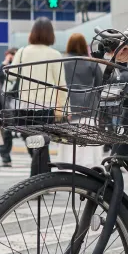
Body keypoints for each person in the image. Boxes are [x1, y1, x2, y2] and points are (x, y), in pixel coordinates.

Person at [13, 18, 65, 176]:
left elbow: (11, 78)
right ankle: (41, 178)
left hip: (24, 107)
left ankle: (38, 178)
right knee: (42, 144)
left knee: (33, 143)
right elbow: (61, 85)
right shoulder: (55, 55)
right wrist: (60, 109)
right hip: (46, 107)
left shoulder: (21, 52)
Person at [63, 33, 106, 173]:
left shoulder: (63, 63)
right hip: (89, 107)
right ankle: (88, 170)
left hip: (69, 107)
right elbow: (101, 84)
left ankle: (69, 170)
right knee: (88, 143)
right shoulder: (92, 63)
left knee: (70, 146)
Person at [0, 47, 18, 164]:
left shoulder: (21, 67)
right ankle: (5, 157)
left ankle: (34, 155)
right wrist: (6, 61)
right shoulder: (3, 67)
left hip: (18, 101)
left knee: (25, 131)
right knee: (6, 131)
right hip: (5, 101)